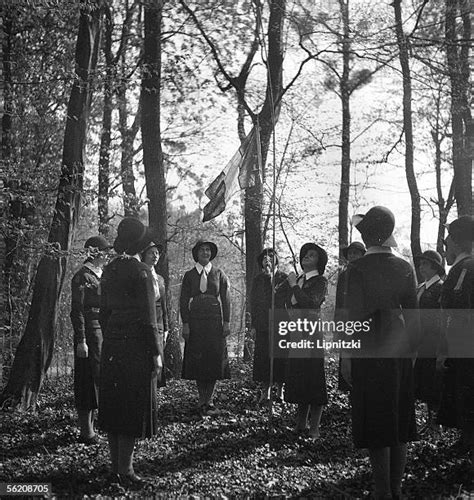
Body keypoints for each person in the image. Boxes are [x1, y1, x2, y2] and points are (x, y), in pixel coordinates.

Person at [341, 206, 419, 499]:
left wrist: (346, 356)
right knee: (399, 417)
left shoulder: (355, 270)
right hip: (398, 347)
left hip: (367, 348)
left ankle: (382, 490)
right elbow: (414, 316)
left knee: (375, 418)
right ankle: (395, 488)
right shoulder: (404, 267)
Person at [98, 217, 163, 484]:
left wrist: (112, 335)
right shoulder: (142, 272)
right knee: (130, 407)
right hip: (136, 346)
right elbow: (149, 318)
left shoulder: (110, 269)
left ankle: (116, 467)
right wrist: (156, 352)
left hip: (112, 344)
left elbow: (103, 313)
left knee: (114, 408)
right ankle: (125, 470)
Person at [437, 216, 474, 461]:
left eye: (448, 240)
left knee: (467, 394)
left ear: (458, 242)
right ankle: (467, 440)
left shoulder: (466, 269)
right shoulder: (460, 269)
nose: (445, 246)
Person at [180, 240, 231, 414]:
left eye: (208, 250)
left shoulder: (219, 273)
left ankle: (209, 401)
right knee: (198, 361)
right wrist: (185, 323)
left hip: (214, 322)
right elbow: (183, 300)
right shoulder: (189, 275)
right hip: (196, 322)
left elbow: (226, 299)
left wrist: (227, 322)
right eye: (202, 250)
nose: (205, 253)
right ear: (197, 253)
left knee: (212, 360)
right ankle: (201, 400)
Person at [284, 242, 328, 438]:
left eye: (312, 255)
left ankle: (315, 427)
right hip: (296, 333)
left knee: (314, 379)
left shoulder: (320, 281)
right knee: (300, 378)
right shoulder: (299, 279)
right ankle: (300, 424)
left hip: (312, 334)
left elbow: (310, 304)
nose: (307, 257)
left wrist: (294, 286)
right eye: (305, 254)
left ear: (319, 261)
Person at [70, 235, 111, 445]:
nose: (106, 256)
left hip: (103, 331)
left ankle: (92, 429)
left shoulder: (102, 275)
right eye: (103, 252)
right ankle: (86, 431)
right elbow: (77, 311)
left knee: (98, 379)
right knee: (86, 380)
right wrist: (81, 340)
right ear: (94, 253)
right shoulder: (82, 277)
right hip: (89, 331)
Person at [250, 248, 289, 404]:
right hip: (263, 324)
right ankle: (265, 393)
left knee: (280, 357)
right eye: (264, 257)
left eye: (271, 256)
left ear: (276, 259)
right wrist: (253, 324)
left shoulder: (284, 278)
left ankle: (280, 391)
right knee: (263, 358)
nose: (267, 259)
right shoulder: (258, 280)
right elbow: (254, 302)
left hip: (281, 322)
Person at [413, 250, 444, 432]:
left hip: (432, 341)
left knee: (433, 382)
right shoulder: (420, 287)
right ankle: (430, 420)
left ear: (434, 267)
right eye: (421, 263)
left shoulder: (440, 287)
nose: (421, 267)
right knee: (422, 381)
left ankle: (436, 423)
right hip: (419, 340)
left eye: (425, 264)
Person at [335, 241, 366, 391]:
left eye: (356, 253)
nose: (352, 256)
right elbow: (339, 302)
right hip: (345, 321)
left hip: (361, 322)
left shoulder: (366, 274)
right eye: (350, 253)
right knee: (346, 360)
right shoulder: (343, 275)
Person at [141, 241, 169, 387]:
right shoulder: (140, 275)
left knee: (159, 360)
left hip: (159, 322)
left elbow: (164, 305)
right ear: (144, 255)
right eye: (151, 253)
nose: (155, 256)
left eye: (157, 253)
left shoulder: (160, 279)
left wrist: (166, 327)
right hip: (146, 322)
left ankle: (156, 397)